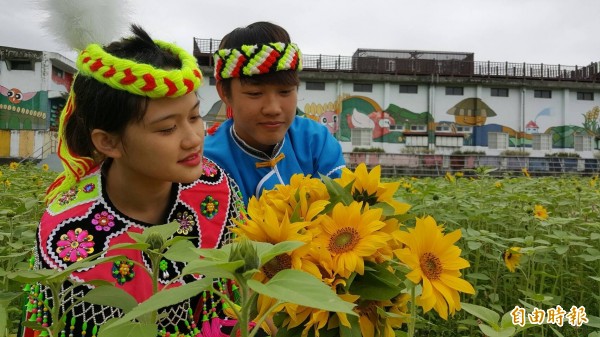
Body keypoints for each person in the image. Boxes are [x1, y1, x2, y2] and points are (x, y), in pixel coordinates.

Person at [20, 25, 244, 337]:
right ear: (107, 142)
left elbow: (234, 309)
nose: (194, 138)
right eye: (167, 129)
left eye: (194, 117)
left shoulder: (215, 190)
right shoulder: (67, 232)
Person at [204, 21, 346, 205]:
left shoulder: (316, 141)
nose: (273, 109)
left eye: (285, 91)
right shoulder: (208, 162)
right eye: (255, 94)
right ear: (224, 92)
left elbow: (344, 209)